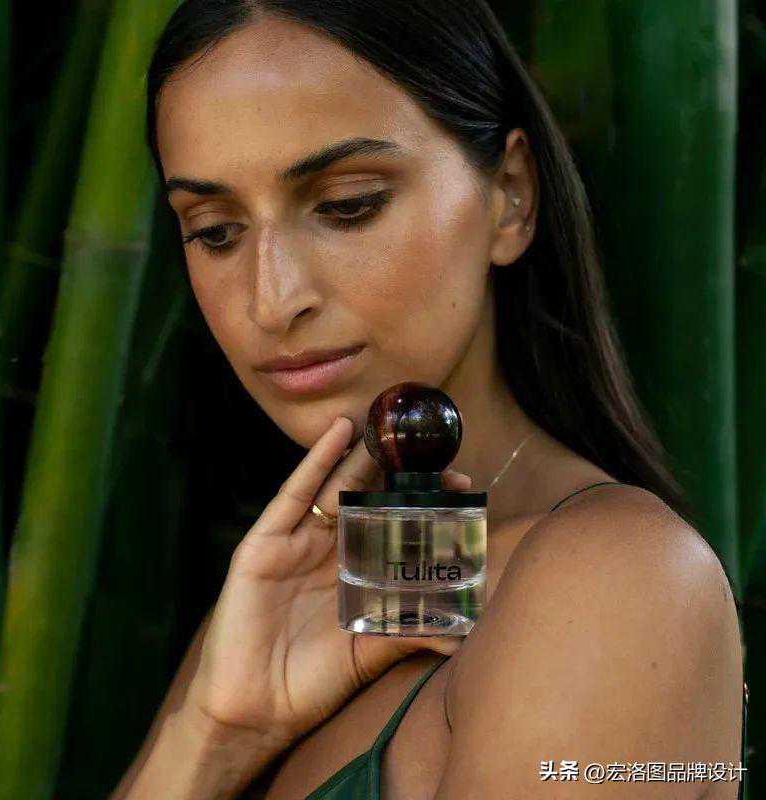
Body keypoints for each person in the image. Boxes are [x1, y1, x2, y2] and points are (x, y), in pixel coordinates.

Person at [111, 1, 746, 797]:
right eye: (215, 230)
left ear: (510, 194)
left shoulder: (617, 587)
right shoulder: (281, 607)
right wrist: (212, 735)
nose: (271, 302)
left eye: (348, 204)